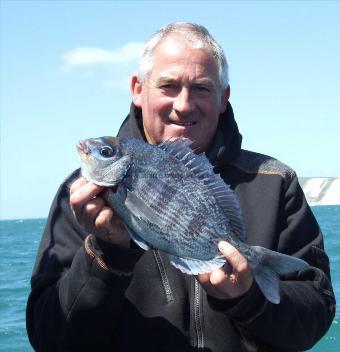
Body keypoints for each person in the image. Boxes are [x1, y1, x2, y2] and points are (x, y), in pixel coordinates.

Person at [26, 22, 335, 351]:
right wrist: (107, 254)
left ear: (223, 97)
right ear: (137, 89)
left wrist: (247, 299)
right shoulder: (81, 197)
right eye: (168, 85)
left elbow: (313, 317)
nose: (184, 104)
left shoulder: (274, 183)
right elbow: (51, 338)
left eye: (201, 87)